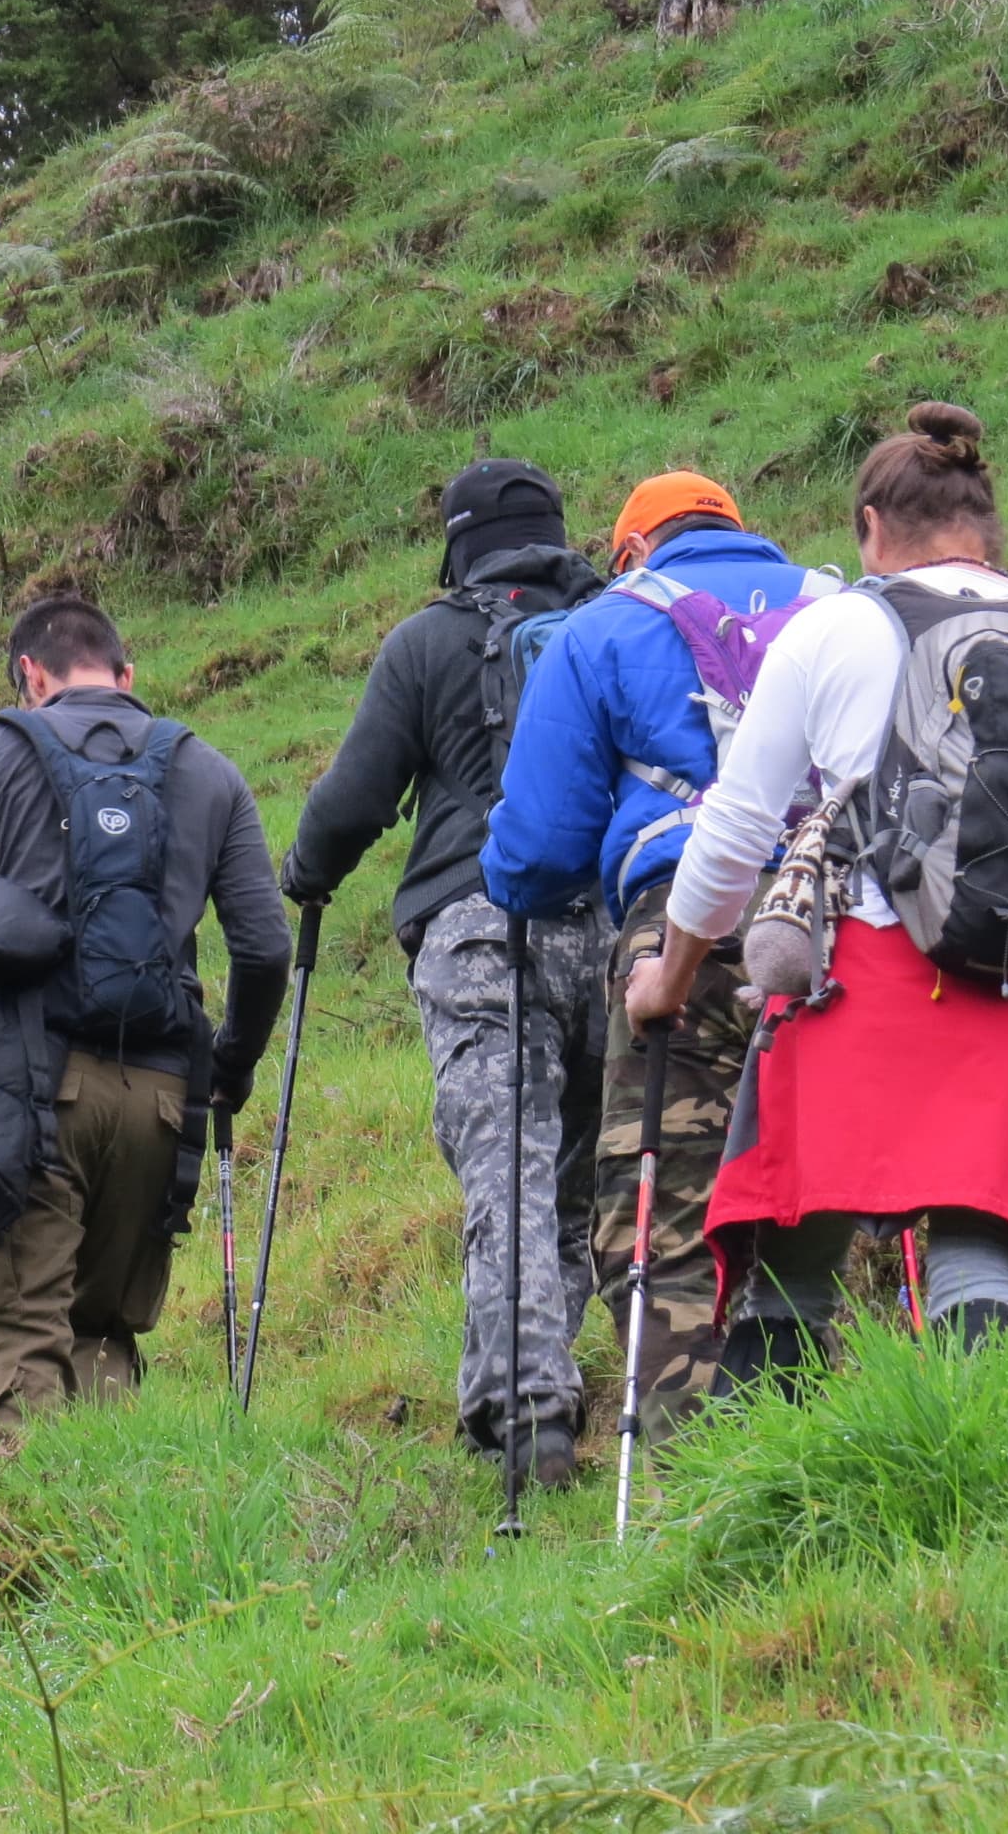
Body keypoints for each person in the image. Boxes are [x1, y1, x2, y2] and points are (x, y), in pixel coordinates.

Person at [626, 404, 1008, 1363]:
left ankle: (774, 1489)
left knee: (792, 1246)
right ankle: (987, 1482)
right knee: (978, 1243)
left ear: (871, 526)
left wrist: (667, 976)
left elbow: (735, 833)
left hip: (855, 984)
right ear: (989, 526)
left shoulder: (833, 631)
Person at [0, 594, 288, 1440]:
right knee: (104, 1331)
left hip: (30, 1090)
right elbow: (264, 949)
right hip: (162, 1098)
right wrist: (231, 1068)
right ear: (127, 675)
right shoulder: (209, 771)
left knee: (23, 1321)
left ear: (31, 673)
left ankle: (26, 1555)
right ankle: (111, 1547)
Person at [481, 472, 834, 1444]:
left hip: (685, 935)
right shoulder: (838, 608)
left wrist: (506, 878)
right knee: (825, 1199)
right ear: (736, 530)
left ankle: (696, 1479)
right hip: (839, 933)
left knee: (662, 1215)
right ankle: (838, 1449)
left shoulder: (602, 628)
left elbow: (539, 848)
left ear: (631, 549)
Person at [281, 459, 606, 1486]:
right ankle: (596, 1388)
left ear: (457, 542)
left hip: (475, 927)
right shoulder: (614, 623)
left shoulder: (426, 642)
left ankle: (527, 1414)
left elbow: (353, 799)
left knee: (503, 1161)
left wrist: (305, 874)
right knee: (590, 1174)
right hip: (613, 928)